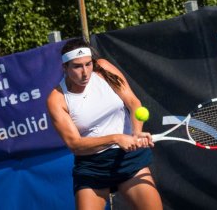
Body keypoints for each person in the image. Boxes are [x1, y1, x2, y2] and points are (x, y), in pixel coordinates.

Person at [46, 38, 163, 210]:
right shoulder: (57, 99)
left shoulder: (103, 69)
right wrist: (116, 138)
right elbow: (75, 145)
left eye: (88, 64)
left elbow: (133, 102)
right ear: (65, 68)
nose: (85, 72)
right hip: (92, 167)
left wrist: (136, 133)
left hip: (127, 159)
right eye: (77, 66)